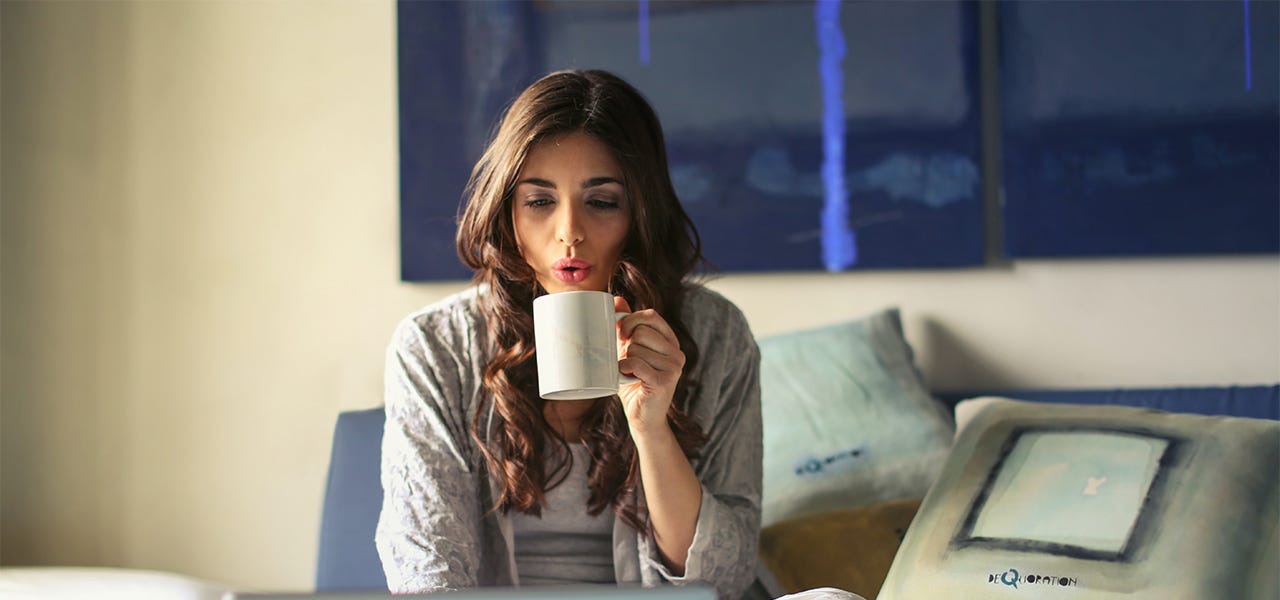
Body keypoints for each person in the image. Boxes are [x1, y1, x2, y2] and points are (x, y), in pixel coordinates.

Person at [375, 69, 764, 599]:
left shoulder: (714, 334)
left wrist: (652, 429)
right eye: (539, 201)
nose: (569, 232)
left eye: (602, 202)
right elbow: (425, 573)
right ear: (506, 211)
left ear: (640, 211)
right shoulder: (435, 346)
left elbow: (723, 579)